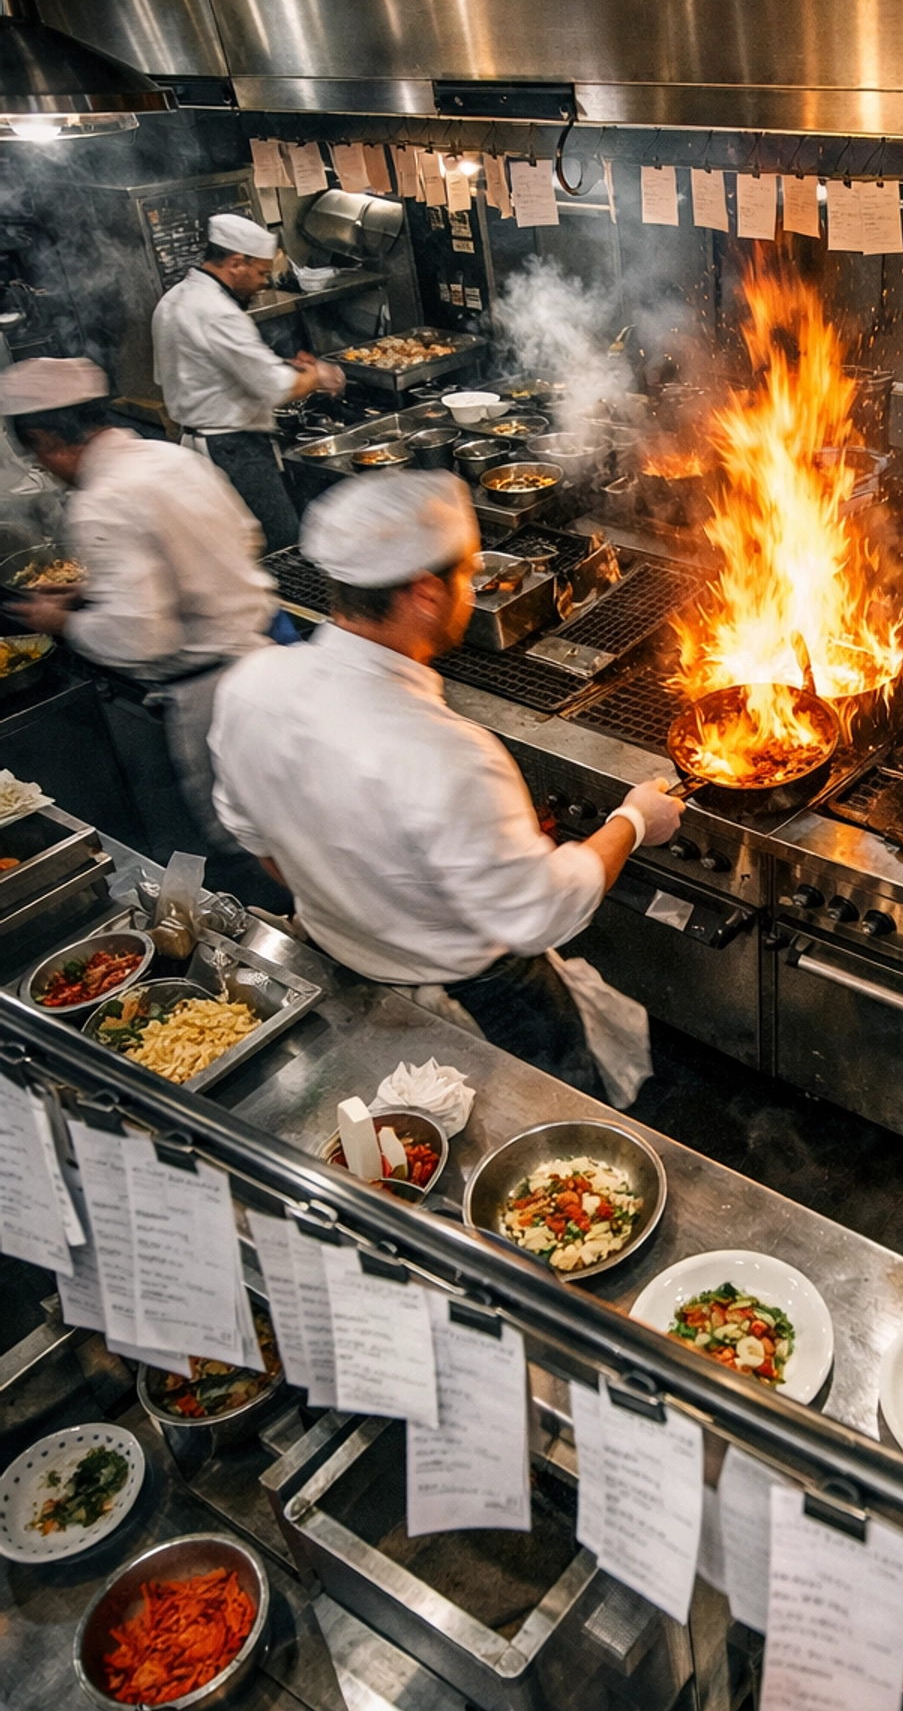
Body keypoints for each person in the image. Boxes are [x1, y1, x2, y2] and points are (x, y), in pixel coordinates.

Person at [208, 471, 685, 1096]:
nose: (475, 587)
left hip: (341, 970)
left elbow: (258, 841)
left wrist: (354, 904)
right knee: (542, 1123)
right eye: (467, 575)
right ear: (427, 595)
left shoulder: (250, 687)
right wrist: (634, 820)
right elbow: (540, 912)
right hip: (484, 1003)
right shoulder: (447, 755)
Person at [0, 356, 283, 902]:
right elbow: (244, 540)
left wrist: (58, 618)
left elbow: (141, 639)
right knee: (280, 823)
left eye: (35, 452)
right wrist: (90, 592)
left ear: (43, 438)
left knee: (234, 845)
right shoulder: (169, 459)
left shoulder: (101, 503)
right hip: (265, 664)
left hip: (205, 697)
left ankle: (274, 945)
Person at [151, 212, 344, 552]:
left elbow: (208, 369)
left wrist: (281, 364)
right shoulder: (218, 312)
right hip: (234, 451)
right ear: (236, 263)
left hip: (197, 443)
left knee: (233, 545)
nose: (263, 283)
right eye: (260, 272)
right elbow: (276, 388)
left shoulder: (174, 299)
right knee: (281, 546)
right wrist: (318, 375)